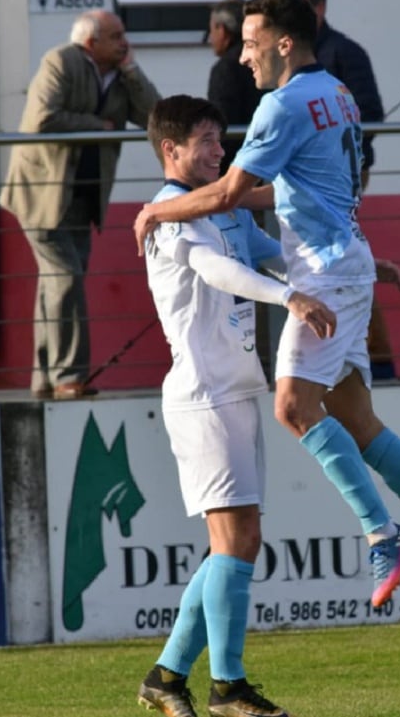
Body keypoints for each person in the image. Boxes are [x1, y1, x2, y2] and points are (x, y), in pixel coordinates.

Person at [133, 0, 400, 623]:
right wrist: (362, 264)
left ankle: (384, 535)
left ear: (285, 42)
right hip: (341, 261)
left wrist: (156, 209)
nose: (242, 56)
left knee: (294, 406)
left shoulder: (284, 102)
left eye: (250, 42)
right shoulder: (339, 94)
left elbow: (233, 192)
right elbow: (301, 190)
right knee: (360, 423)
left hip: (324, 272)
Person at [135, 95, 335, 717]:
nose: (221, 150)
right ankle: (227, 686)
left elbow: (273, 251)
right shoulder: (170, 218)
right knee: (235, 538)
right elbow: (219, 272)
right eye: (207, 140)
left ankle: (167, 677)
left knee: (239, 543)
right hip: (201, 395)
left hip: (238, 388)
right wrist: (289, 299)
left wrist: (349, 270)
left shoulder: (221, 209)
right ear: (171, 149)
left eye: (221, 138)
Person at [0, 10, 160, 399]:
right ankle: (70, 377)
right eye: (116, 36)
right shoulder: (61, 61)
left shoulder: (122, 75)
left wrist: (133, 72)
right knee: (64, 278)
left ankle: (44, 379)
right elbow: (43, 119)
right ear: (91, 43)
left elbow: (155, 117)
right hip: (42, 192)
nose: (125, 42)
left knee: (55, 286)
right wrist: (100, 126)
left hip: (83, 196)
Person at [302, 0, 396, 379]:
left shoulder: (345, 52)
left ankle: (377, 358)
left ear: (319, 7)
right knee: (327, 265)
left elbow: (371, 112)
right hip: (306, 178)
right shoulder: (295, 53)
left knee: (343, 263)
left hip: (343, 176)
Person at [207, 0, 265, 174]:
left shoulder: (226, 68)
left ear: (222, 30)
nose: (210, 38)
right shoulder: (266, 61)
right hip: (268, 163)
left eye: (210, 30)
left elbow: (223, 125)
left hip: (238, 169)